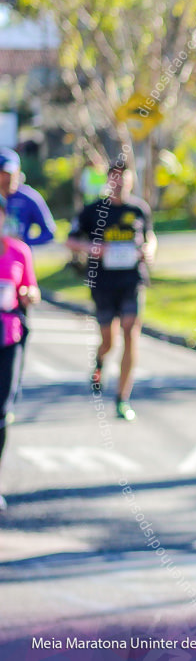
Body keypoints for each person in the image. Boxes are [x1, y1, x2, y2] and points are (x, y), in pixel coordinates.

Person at [66, 162, 156, 421]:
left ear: (131, 180)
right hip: (103, 283)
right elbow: (71, 240)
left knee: (130, 331)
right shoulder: (93, 210)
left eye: (123, 178)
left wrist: (150, 250)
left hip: (132, 281)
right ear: (108, 181)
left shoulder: (139, 209)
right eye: (114, 179)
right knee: (109, 340)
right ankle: (99, 363)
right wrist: (93, 248)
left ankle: (122, 398)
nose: (119, 183)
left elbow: (150, 237)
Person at [0, 198, 41, 511]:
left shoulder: (19, 252)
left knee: (2, 410)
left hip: (9, 337)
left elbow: (32, 290)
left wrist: (27, 295)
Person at [0, 149, 57, 247]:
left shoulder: (29, 198)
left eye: (11, 173)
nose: (8, 178)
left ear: (18, 171)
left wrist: (24, 242)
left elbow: (49, 232)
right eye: (3, 174)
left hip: (18, 259)